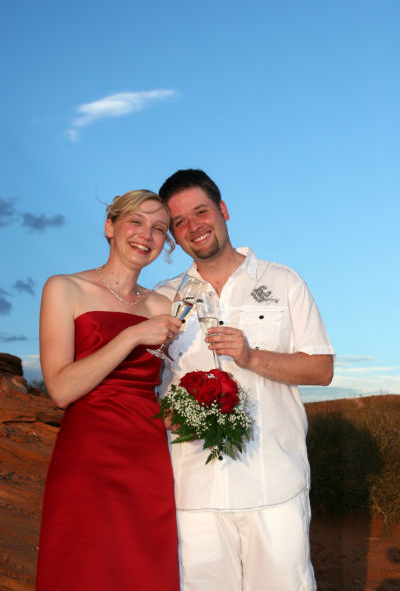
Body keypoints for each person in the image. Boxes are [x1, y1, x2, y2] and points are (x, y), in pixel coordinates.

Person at [155, 169, 335, 591]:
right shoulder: (163, 298)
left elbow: (322, 369)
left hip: (274, 486)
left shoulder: (283, 281)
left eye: (201, 211)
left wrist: (252, 357)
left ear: (223, 210)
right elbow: (148, 386)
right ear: (173, 235)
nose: (193, 226)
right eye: (179, 221)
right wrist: (165, 413)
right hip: (193, 494)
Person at [36, 190, 181, 591]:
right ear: (109, 227)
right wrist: (132, 335)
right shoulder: (64, 288)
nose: (146, 235)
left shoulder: (163, 306)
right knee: (84, 567)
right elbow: (60, 389)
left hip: (147, 456)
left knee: (144, 569)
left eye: (159, 229)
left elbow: (171, 383)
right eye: (136, 221)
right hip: (88, 454)